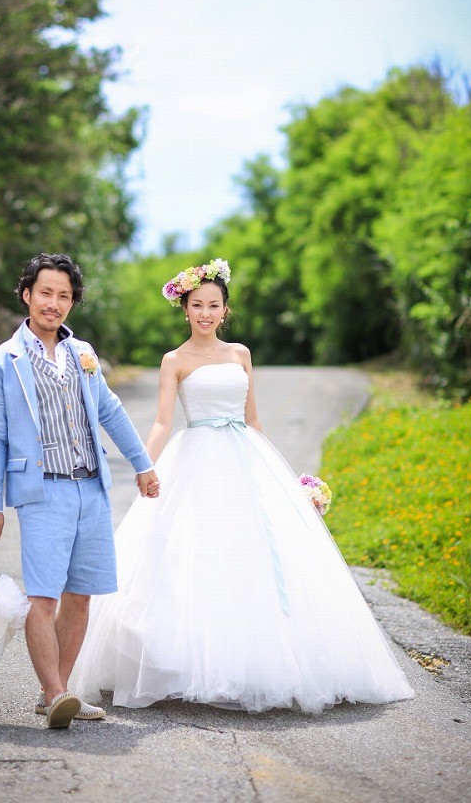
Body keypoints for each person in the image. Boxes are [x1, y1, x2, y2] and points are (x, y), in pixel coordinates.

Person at [70, 258, 414, 713]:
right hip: (194, 458)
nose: (206, 314)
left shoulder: (240, 355)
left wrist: (281, 481)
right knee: (192, 554)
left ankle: (260, 659)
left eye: (214, 305)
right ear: (185, 309)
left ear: (224, 310)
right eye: (197, 306)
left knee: (252, 555)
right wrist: (144, 466)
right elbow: (161, 420)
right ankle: (187, 659)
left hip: (244, 456)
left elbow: (253, 421)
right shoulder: (175, 360)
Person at [0, 253, 160, 728]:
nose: (53, 304)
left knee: (81, 595)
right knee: (43, 596)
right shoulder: (1, 362)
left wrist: (142, 465)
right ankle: (57, 693)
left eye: (63, 296)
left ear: (72, 302)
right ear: (27, 295)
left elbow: (112, 411)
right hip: (41, 491)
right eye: (45, 293)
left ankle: (54, 695)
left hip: (91, 488)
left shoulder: (84, 353)